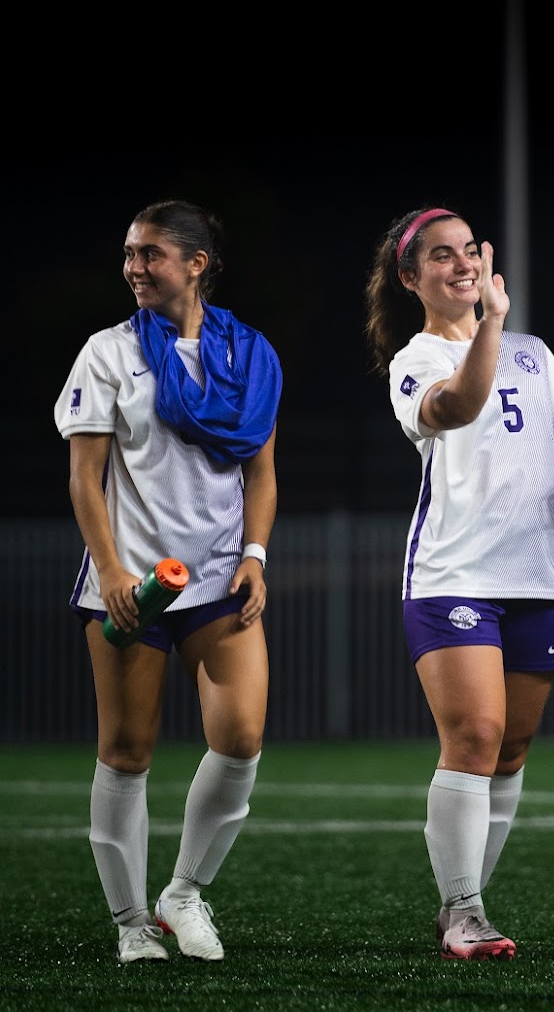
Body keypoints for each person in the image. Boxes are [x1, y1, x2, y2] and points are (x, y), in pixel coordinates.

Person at [364, 206, 554, 963]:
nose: (461, 263)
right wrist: (490, 328)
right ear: (412, 279)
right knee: (473, 736)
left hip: (539, 571)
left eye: (468, 249)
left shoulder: (535, 356)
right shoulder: (414, 360)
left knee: (510, 749)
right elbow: (459, 405)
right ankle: (467, 912)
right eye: (440, 256)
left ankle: (460, 903)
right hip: (454, 573)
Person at [54, 199, 282, 965]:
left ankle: (182, 893)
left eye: (150, 253)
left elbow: (263, 473)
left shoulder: (249, 354)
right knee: (125, 750)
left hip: (220, 578)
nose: (133, 267)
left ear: (196, 263)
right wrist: (114, 568)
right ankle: (129, 922)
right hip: (131, 581)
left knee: (242, 736)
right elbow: (86, 479)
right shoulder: (109, 351)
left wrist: (255, 554)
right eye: (129, 254)